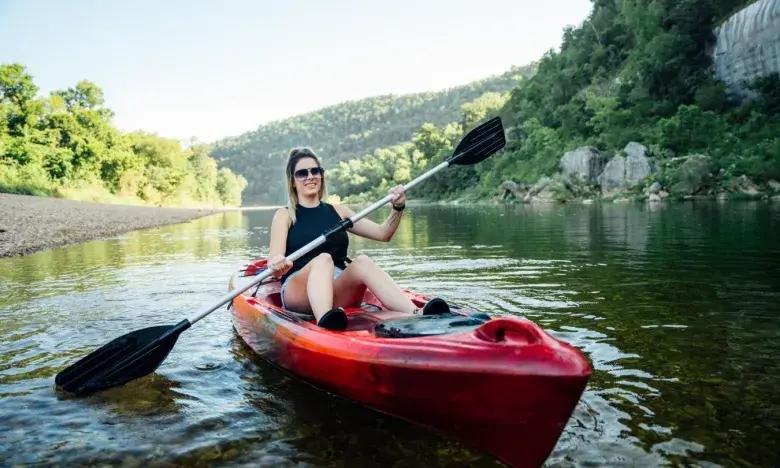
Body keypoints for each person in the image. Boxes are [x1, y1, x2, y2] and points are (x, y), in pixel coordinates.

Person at [267, 147, 450, 330]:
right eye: (302, 173)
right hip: (298, 292)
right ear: (292, 181)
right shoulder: (285, 215)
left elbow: (383, 233)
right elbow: (275, 262)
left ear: (322, 175)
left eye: (315, 171)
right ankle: (325, 321)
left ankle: (417, 313)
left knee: (362, 261)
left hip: (335, 289)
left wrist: (397, 207)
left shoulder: (340, 212)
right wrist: (277, 263)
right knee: (323, 259)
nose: (310, 176)